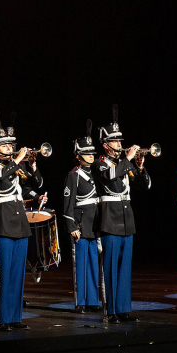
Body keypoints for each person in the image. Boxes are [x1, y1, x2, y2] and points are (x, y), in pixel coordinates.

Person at [0, 111, 44, 331]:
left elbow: (34, 184)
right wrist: (17, 161)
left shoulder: (16, 166)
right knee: (3, 274)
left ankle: (15, 317)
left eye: (10, 146)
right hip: (2, 222)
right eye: (5, 146)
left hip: (19, 222)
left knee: (17, 274)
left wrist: (33, 166)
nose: (10, 149)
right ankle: (3, 319)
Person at [91, 105, 151, 323]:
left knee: (125, 268)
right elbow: (109, 178)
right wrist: (127, 161)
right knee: (110, 267)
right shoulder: (98, 164)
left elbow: (143, 186)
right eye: (116, 142)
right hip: (109, 219)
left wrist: (140, 166)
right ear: (106, 145)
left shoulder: (124, 164)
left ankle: (124, 309)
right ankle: (111, 311)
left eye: (120, 141)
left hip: (126, 220)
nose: (120, 145)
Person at [62, 120, 101, 314]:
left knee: (94, 263)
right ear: (78, 156)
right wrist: (72, 227)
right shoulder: (74, 175)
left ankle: (93, 299)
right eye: (87, 153)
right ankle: (81, 301)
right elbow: (68, 204)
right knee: (81, 265)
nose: (91, 156)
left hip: (94, 225)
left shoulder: (97, 172)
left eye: (92, 152)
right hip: (80, 225)